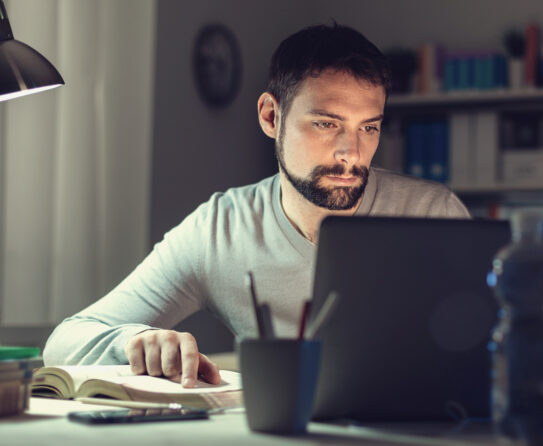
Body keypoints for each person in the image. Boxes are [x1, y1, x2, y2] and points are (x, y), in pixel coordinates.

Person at [43, 24, 469, 388]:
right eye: (326, 123)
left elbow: (493, 348)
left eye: (369, 127)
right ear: (271, 117)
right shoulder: (220, 231)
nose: (351, 153)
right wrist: (134, 341)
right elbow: (66, 341)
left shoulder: (432, 213)